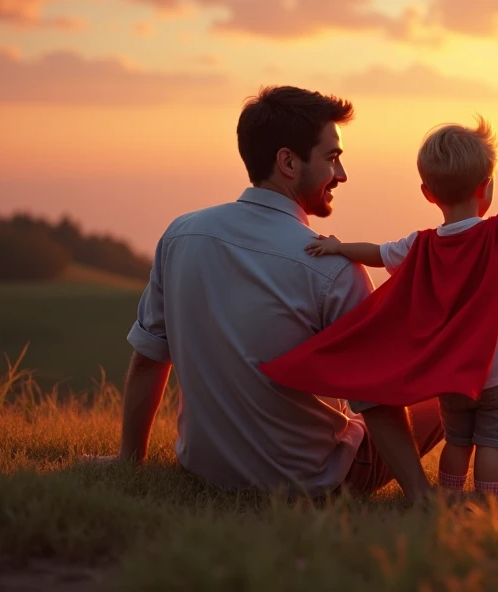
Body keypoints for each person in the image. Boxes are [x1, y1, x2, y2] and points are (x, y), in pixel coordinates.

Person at [87, 86, 443, 503]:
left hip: (203, 467)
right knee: (440, 396)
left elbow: (149, 360)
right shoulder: (332, 268)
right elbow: (377, 400)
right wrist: (421, 494)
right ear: (288, 162)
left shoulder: (181, 235)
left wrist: (129, 460)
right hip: (310, 481)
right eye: (331, 158)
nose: (342, 175)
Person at [261, 115, 498, 500]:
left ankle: (447, 496)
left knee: (458, 442)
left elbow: (376, 254)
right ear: (486, 187)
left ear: (428, 193)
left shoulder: (422, 245)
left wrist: (338, 247)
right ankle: (491, 502)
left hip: (454, 377)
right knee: (492, 445)